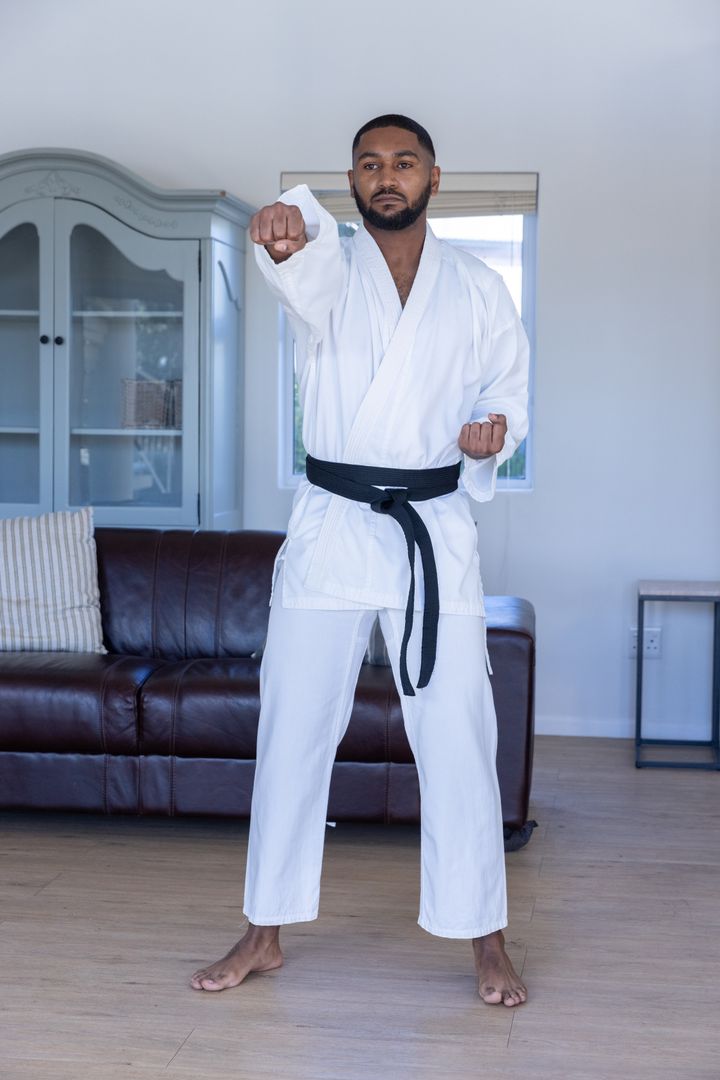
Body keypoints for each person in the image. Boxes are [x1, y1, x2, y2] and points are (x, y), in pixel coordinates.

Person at [191, 114, 529, 1006]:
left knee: (460, 737)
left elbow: (506, 391)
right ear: (351, 180)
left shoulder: (479, 286)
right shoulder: (330, 264)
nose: (388, 177)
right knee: (292, 729)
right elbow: (292, 265)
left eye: (404, 162)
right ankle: (263, 930)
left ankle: (486, 939)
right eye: (370, 164)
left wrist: (491, 434)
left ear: (434, 176)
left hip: (434, 523)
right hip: (334, 523)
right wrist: (282, 232)